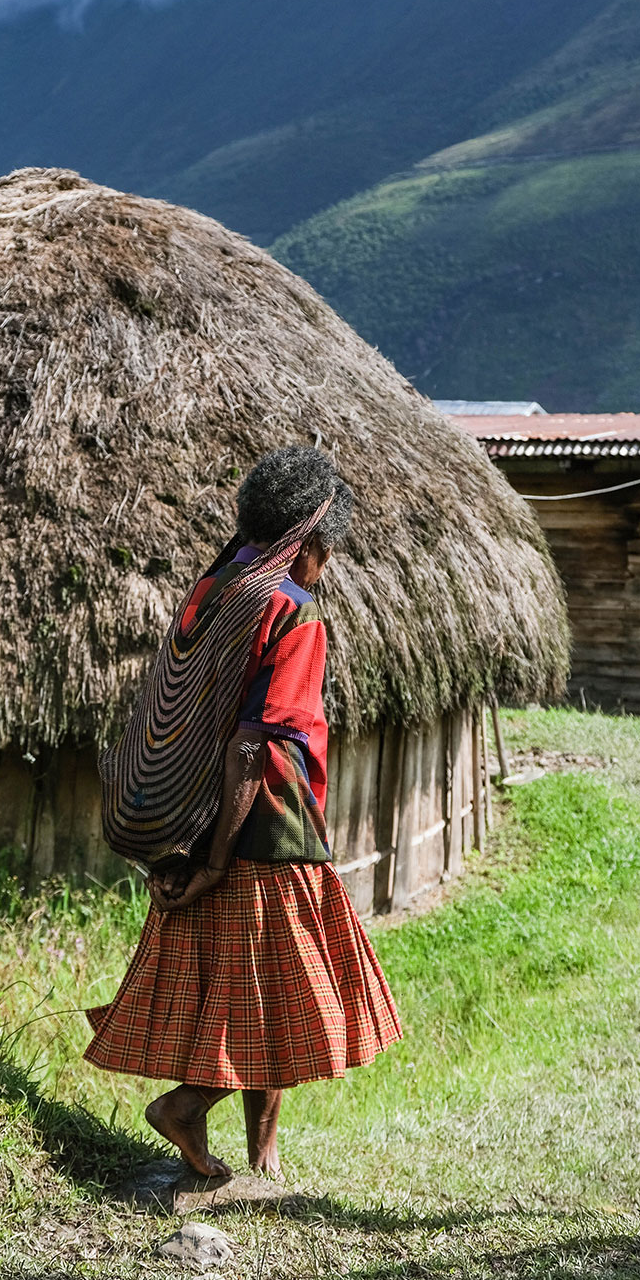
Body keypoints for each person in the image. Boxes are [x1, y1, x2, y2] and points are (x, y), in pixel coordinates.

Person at [86, 446, 401, 1182]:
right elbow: (253, 747)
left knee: (245, 987)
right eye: (327, 549)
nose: (327, 564)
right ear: (308, 540)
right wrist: (223, 860)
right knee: (286, 995)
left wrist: (196, 856)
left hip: (195, 820)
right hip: (265, 826)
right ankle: (187, 1106)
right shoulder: (293, 611)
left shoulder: (215, 589)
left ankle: (263, 1155)